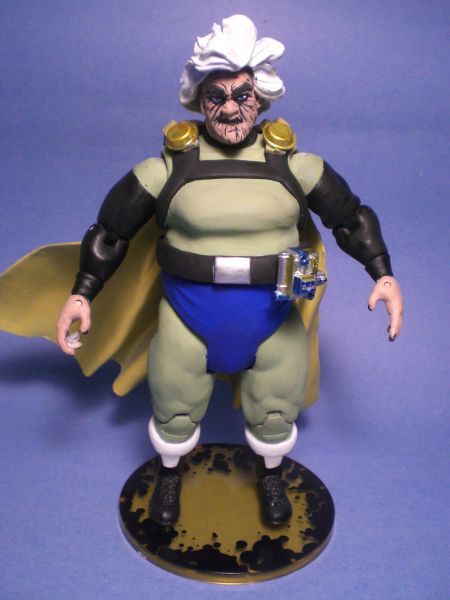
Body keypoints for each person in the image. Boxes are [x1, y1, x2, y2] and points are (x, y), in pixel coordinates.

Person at [55, 15, 403, 526]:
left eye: (243, 95)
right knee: (174, 409)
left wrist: (382, 274)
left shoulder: (297, 167)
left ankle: (270, 475)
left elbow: (350, 219)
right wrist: (82, 292)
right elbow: (111, 232)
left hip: (273, 318)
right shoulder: (167, 170)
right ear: (200, 101)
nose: (231, 108)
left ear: (260, 98)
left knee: (275, 410)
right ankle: (170, 474)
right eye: (217, 96)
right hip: (187, 318)